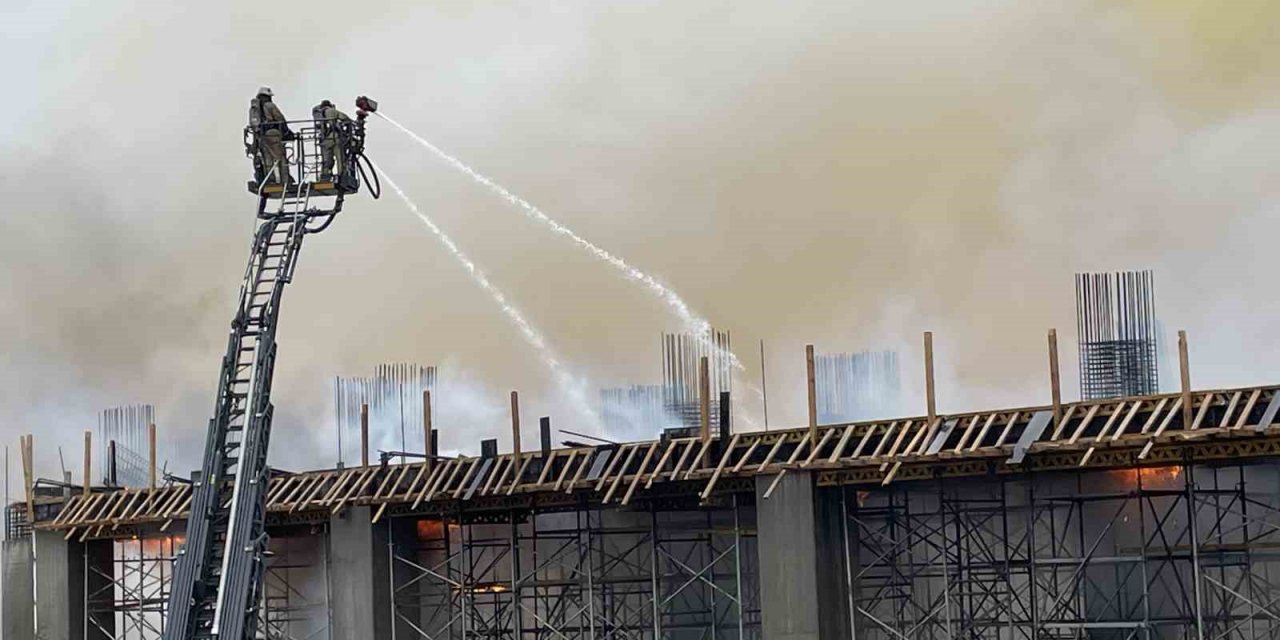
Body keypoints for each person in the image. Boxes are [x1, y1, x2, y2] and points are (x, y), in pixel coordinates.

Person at [248, 87, 293, 185]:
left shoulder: (254, 109)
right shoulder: (270, 105)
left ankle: (270, 180)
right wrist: (287, 132)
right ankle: (285, 180)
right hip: (273, 133)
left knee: (267, 158)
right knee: (280, 157)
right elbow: (280, 119)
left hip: (261, 136)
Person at [312, 99, 352, 182]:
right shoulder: (332, 111)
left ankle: (325, 176)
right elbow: (345, 118)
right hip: (335, 138)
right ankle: (342, 176)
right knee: (340, 158)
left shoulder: (317, 114)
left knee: (326, 160)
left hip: (324, 140)